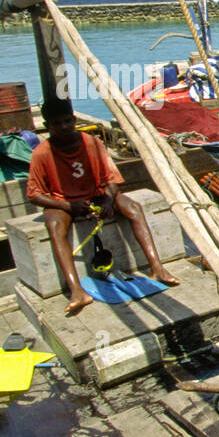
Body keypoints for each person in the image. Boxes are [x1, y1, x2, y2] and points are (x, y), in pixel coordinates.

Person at [26, 99, 179, 314]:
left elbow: (112, 178)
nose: (64, 127)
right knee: (54, 225)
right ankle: (76, 290)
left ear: (74, 119)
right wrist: (67, 205)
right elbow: (34, 195)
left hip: (97, 195)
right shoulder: (42, 153)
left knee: (134, 208)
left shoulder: (91, 142)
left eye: (68, 121)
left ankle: (157, 268)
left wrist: (108, 199)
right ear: (47, 125)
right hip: (64, 201)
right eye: (57, 123)